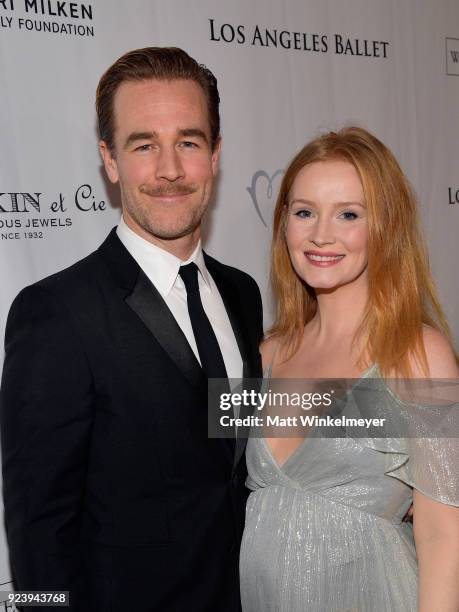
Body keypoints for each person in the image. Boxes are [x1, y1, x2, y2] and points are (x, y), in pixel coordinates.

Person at [0, 47, 263, 612]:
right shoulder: (54, 313)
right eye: (144, 145)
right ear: (110, 160)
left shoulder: (242, 293)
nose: (169, 169)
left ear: (215, 155)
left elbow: (235, 443)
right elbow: (36, 533)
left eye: (189, 142)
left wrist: (424, 414)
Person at [240, 127, 459, 611]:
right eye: (304, 212)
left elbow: (444, 535)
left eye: (348, 214)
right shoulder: (266, 354)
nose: (321, 234)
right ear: (284, 225)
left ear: (385, 227)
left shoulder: (419, 354)